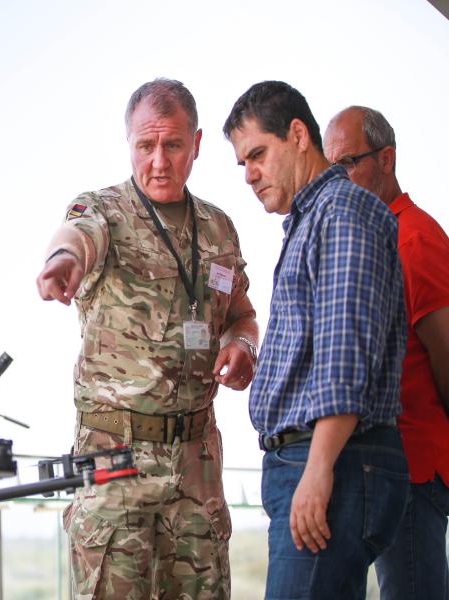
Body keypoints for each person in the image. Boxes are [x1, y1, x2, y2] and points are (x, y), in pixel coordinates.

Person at [36, 78, 258, 599]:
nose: (159, 160)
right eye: (145, 145)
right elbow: (75, 236)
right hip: (116, 456)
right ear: (130, 143)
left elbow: (241, 313)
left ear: (196, 145)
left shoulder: (219, 230)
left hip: (196, 464)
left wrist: (242, 345)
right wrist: (60, 262)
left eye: (173, 145)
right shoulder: (104, 210)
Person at [222, 81, 409, 600]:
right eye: (242, 164)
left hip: (334, 462)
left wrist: (318, 469)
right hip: (315, 461)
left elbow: (344, 352)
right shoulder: (311, 219)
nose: (250, 174)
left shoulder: (342, 211)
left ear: (298, 135)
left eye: (258, 154)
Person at [324, 106, 449, 599]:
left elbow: (445, 358)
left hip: (415, 468)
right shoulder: (370, 236)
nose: (340, 179)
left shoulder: (415, 239)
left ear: (387, 159)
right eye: (331, 167)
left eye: (349, 162)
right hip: (376, 467)